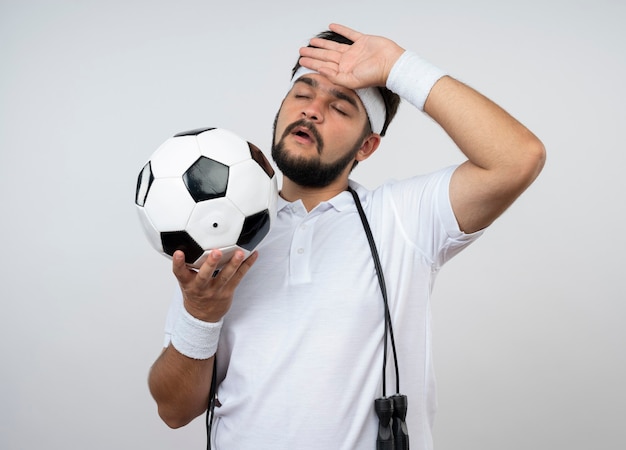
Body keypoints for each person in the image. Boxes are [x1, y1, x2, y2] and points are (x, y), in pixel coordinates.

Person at [148, 23, 545, 449]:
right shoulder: (221, 234)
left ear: (366, 147)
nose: (312, 110)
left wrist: (398, 67)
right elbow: (175, 411)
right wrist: (200, 315)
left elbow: (519, 158)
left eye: (340, 107)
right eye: (302, 94)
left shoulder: (403, 218)